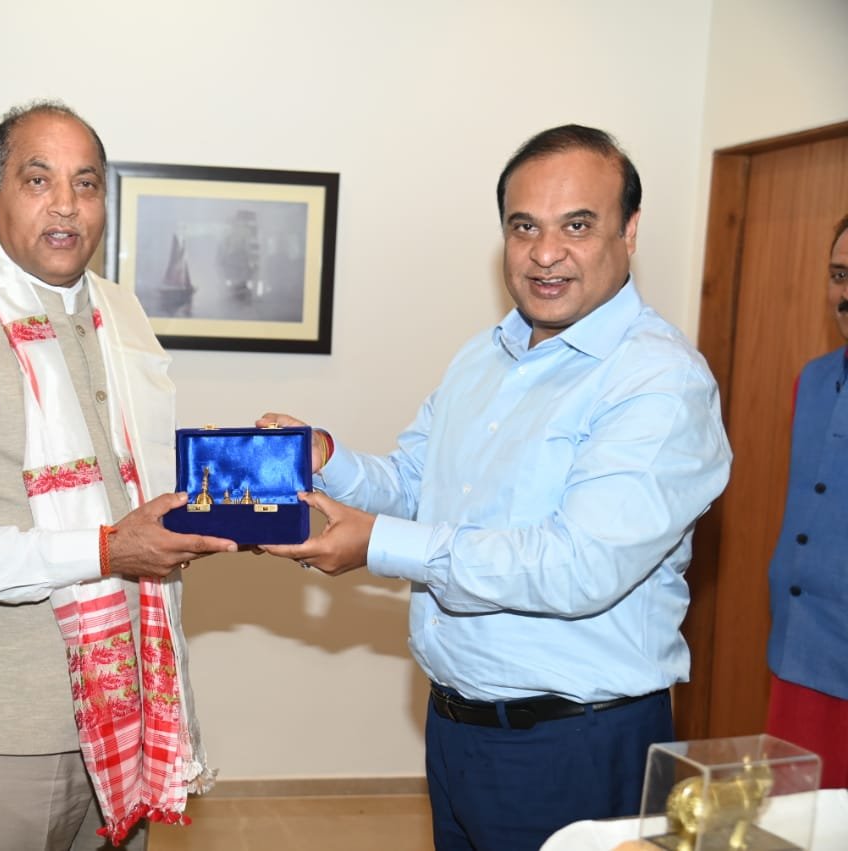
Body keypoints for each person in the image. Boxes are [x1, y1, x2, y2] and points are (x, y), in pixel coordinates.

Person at [259, 125, 733, 851]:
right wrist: (324, 457)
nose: (545, 253)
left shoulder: (658, 381)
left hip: (575, 745)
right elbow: (417, 482)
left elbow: (576, 565)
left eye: (578, 225)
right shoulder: (484, 357)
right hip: (457, 731)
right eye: (524, 227)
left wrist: (377, 545)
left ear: (630, 230)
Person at [0, 100, 236, 851]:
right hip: (8, 726)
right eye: (38, 179)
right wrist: (105, 550)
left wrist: (235, 498)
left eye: (86, 183)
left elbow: (135, 483)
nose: (66, 205)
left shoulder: (123, 316)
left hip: (129, 702)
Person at [765, 213, 848, 789]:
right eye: (839, 275)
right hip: (798, 647)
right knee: (791, 816)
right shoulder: (813, 380)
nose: (846, 292)